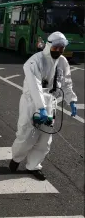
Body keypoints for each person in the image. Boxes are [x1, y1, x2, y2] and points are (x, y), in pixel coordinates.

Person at [10, 32, 77, 181]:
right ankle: (16, 158)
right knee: (26, 135)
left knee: (45, 139)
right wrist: (40, 108)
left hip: (50, 102)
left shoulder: (62, 62)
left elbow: (66, 82)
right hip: (31, 102)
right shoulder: (35, 61)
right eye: (56, 48)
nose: (58, 51)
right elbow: (35, 86)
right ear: (49, 46)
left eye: (61, 48)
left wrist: (71, 100)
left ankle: (33, 165)